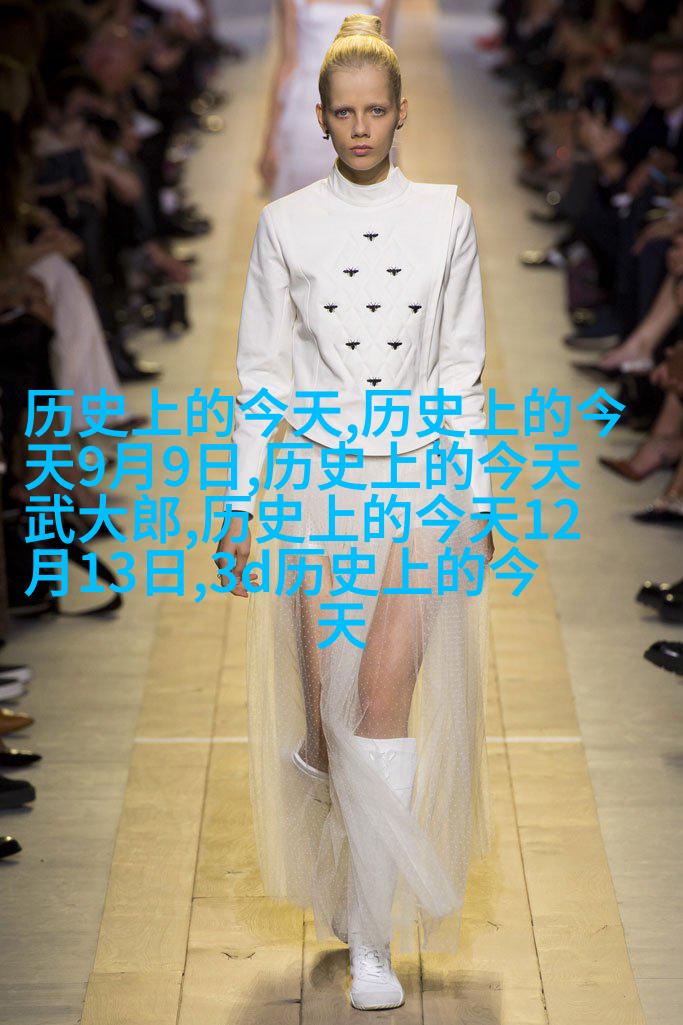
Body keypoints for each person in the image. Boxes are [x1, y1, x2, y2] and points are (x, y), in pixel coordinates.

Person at [215, 13, 495, 1011]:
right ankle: (325, 778)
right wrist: (239, 502)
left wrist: (476, 494)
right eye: (346, 113)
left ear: (402, 114)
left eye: (377, 110)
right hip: (315, 486)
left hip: (417, 482)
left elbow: (459, 368)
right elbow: (260, 376)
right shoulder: (285, 224)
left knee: (382, 705)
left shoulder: (447, 218)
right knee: (335, 728)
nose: (362, 127)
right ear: (322, 119)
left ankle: (373, 939)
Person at [258, 0, 398, 198]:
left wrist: (392, 134)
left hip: (362, 108)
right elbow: (288, 61)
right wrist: (270, 140)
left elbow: (386, 67)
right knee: (304, 200)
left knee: (363, 198)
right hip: (307, 109)